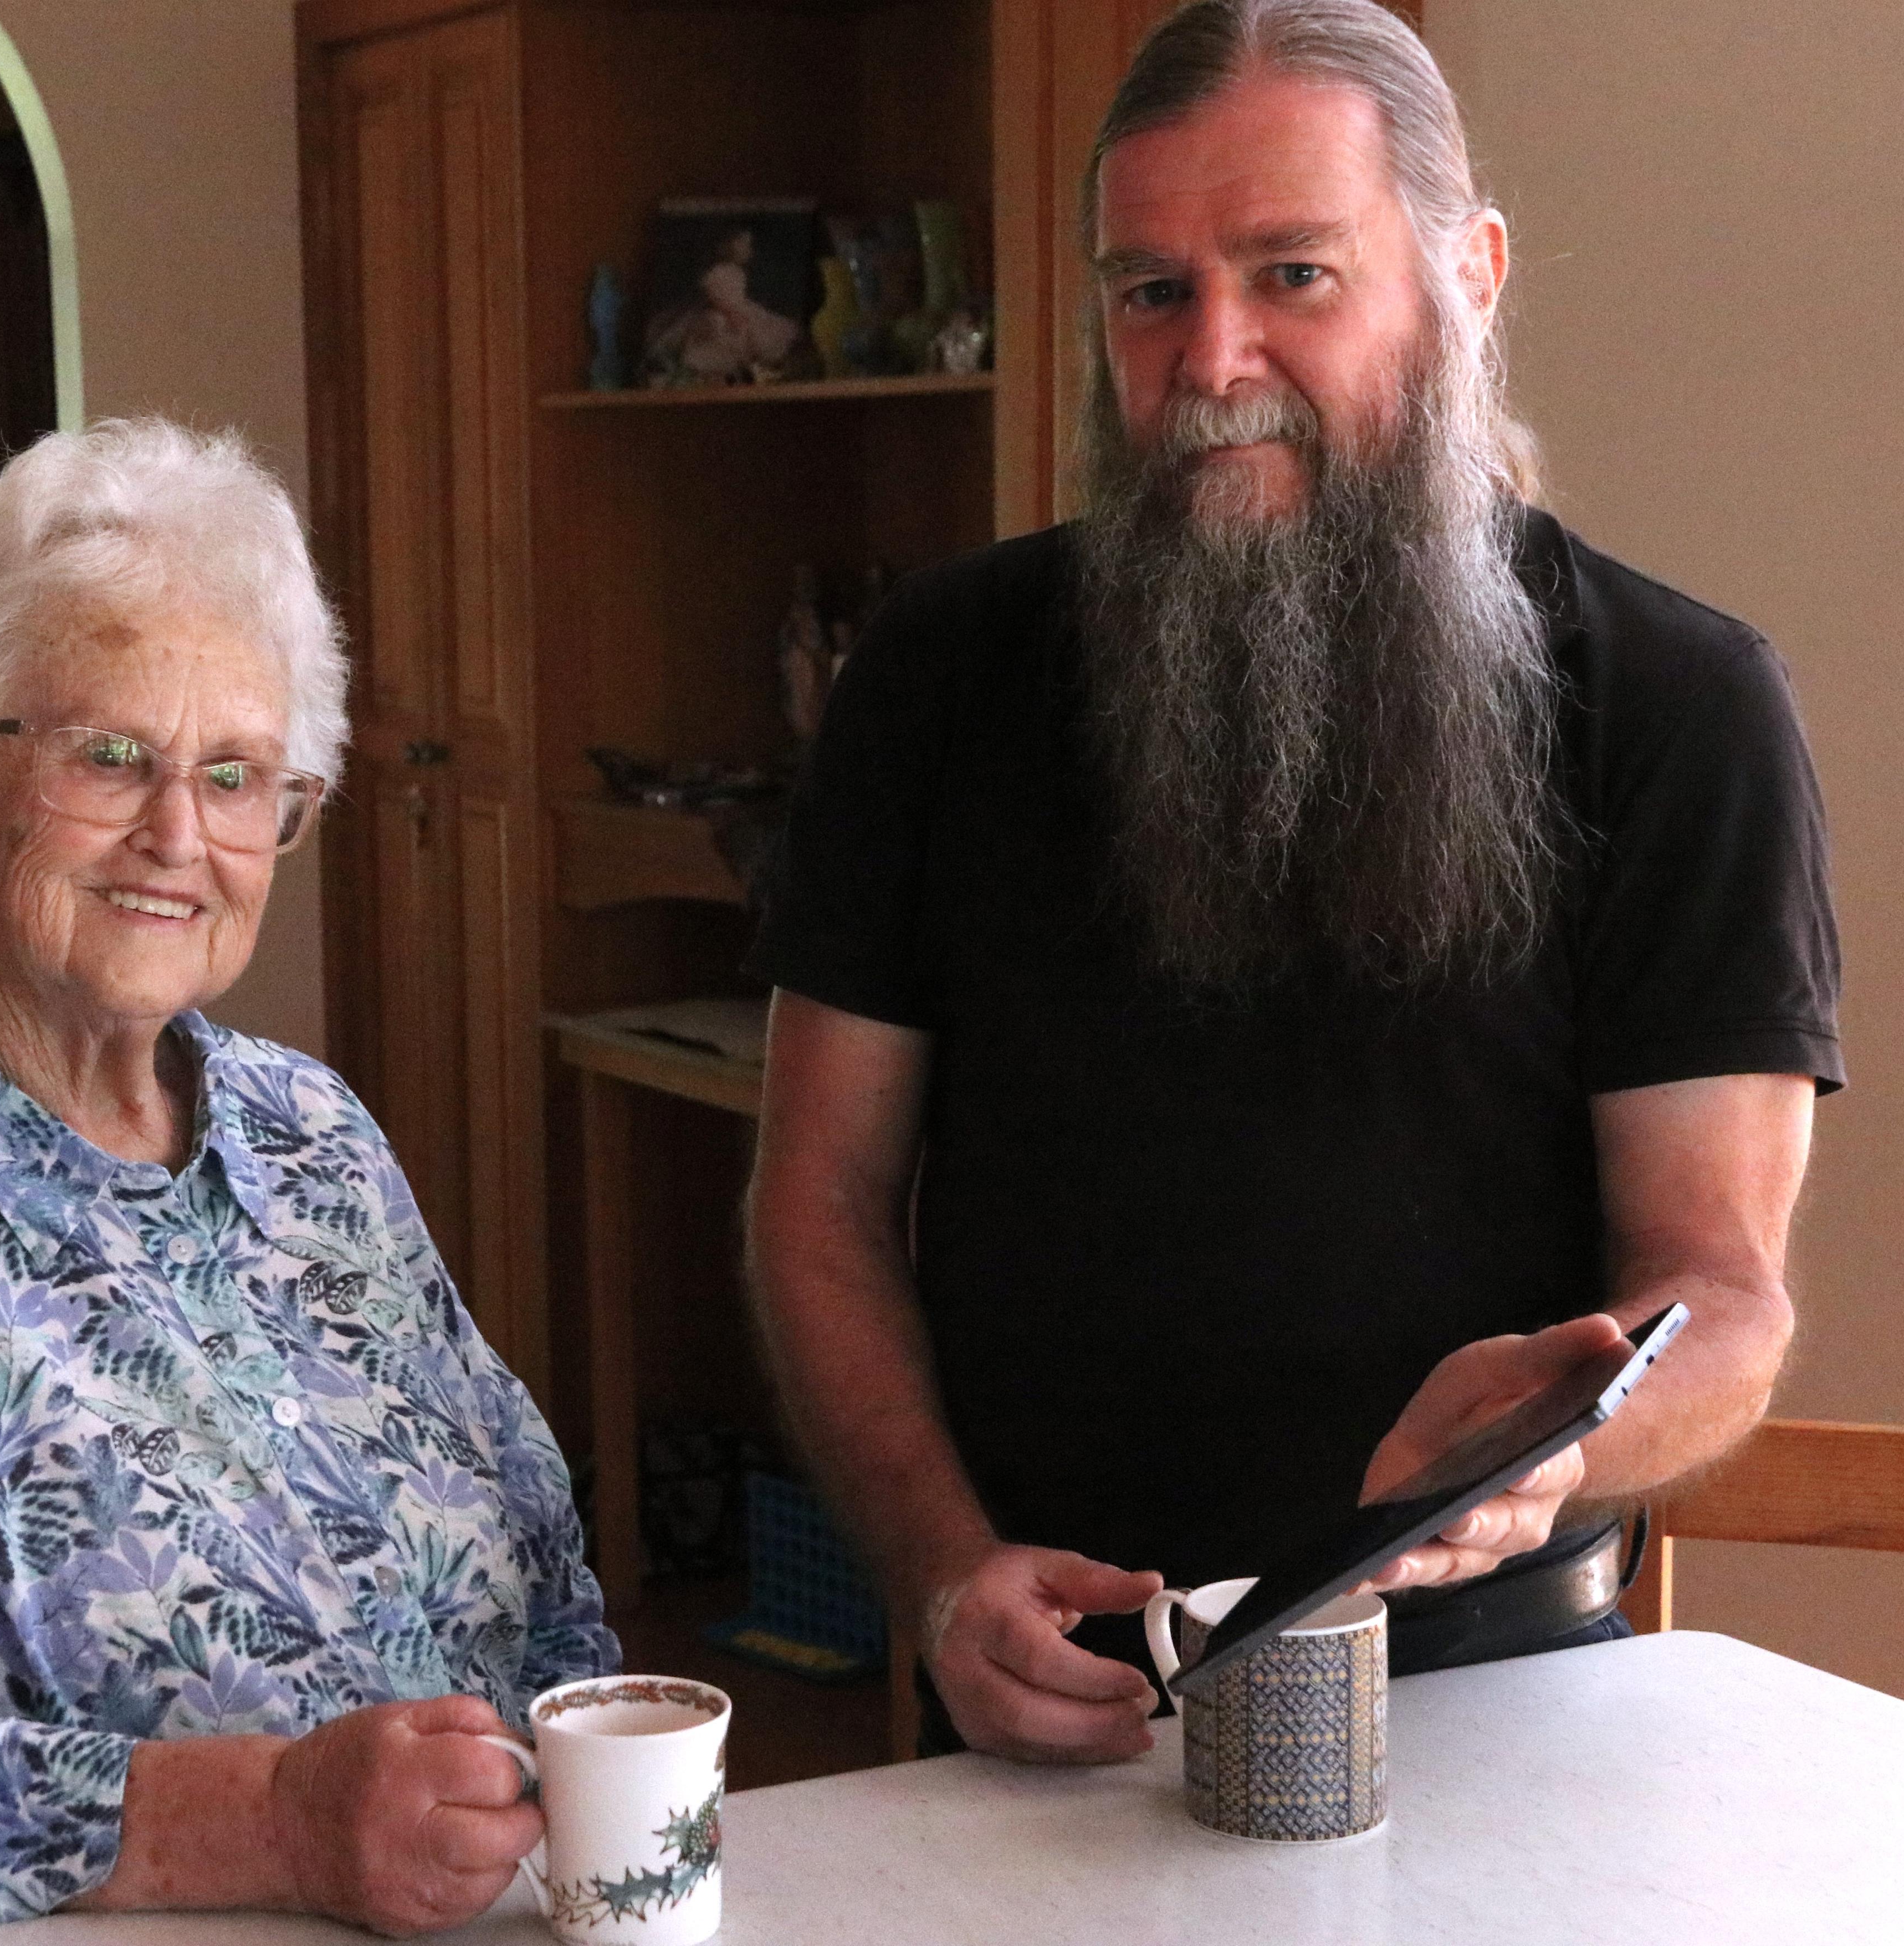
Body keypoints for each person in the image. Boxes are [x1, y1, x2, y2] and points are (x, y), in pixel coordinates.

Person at [745, 0, 1841, 1765]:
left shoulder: (1679, 706)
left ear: (1467, 276)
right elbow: (821, 1200)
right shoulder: (939, 676)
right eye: (1150, 289)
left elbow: (1718, 1291)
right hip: (1053, 1698)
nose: (1215, 356)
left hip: (1500, 1710)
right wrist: (941, 1577)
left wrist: (1544, 1451)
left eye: (1296, 275)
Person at [0, 418, 614, 1944]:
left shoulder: (315, 1132)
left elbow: (546, 1592)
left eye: (238, 777)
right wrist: (272, 1822)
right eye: (110, 756)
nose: (180, 837)